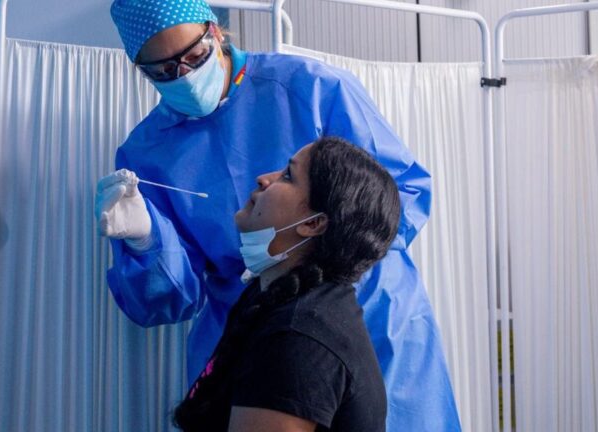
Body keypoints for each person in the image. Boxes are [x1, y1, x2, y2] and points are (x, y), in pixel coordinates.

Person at [95, 0, 460, 430]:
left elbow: (397, 195)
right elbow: (173, 296)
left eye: (193, 57)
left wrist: (324, 267)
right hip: (255, 323)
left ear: (216, 33)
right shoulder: (147, 153)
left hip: (367, 302)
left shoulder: (312, 89)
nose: (184, 76)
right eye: (162, 71)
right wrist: (146, 241)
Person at [173, 136, 395, 431]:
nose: (264, 179)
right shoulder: (271, 295)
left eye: (287, 176)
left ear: (313, 223)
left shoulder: (298, 338)